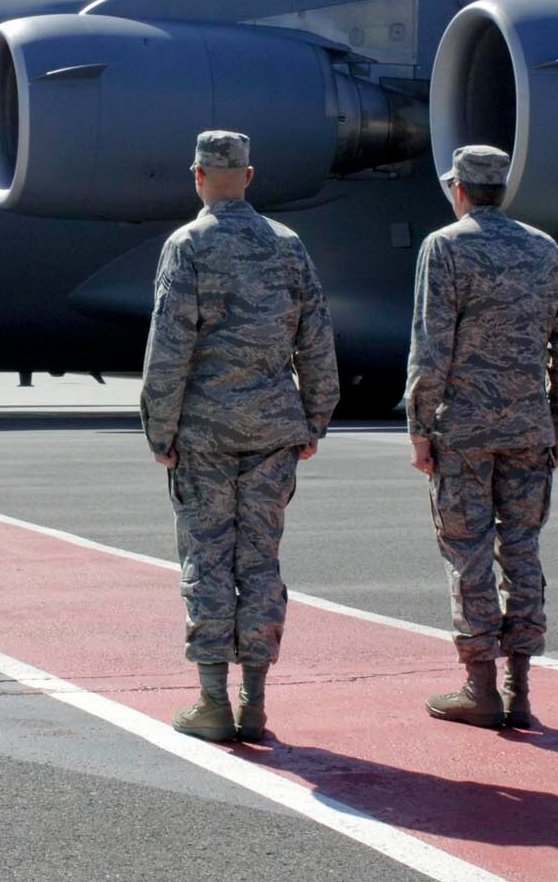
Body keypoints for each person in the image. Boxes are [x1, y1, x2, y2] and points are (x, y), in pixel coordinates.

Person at [141, 130, 340, 743]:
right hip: (274, 430)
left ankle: (212, 703)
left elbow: (169, 347)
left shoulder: (188, 245)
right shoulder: (287, 245)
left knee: (206, 558)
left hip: (204, 433)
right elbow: (316, 339)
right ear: (249, 176)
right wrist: (315, 418)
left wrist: (160, 430)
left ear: (197, 176)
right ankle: (254, 702)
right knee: (259, 561)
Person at [407, 145, 558, 729]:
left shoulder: (445, 247)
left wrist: (419, 427)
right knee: (523, 549)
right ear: (501, 190)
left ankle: (479, 684)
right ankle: (520, 685)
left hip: (463, 429)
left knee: (468, 552)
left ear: (459, 188)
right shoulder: (543, 247)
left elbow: (430, 347)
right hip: (528, 426)